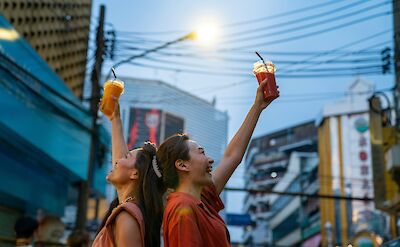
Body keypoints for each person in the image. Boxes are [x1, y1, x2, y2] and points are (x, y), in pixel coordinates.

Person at [157, 78, 278, 246]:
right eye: (201, 153)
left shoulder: (201, 200)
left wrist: (258, 106)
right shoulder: (182, 207)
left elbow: (232, 157)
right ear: (182, 165)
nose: (211, 159)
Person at [92, 98, 165, 247]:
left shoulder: (127, 215)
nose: (118, 160)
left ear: (135, 174)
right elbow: (122, 164)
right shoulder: (132, 211)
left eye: (127, 156)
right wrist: (115, 120)